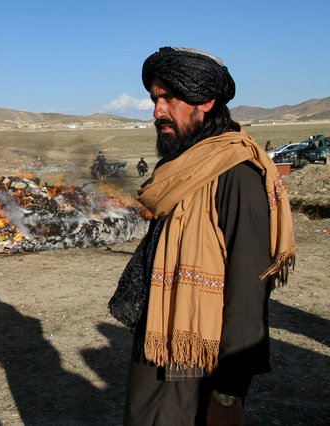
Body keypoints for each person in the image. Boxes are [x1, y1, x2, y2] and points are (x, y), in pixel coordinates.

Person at [108, 47, 295, 425]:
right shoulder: (182, 169)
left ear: (206, 101)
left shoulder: (236, 176)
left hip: (195, 367)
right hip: (161, 345)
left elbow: (248, 292)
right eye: (154, 99)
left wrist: (227, 395)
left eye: (169, 98)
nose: (158, 111)